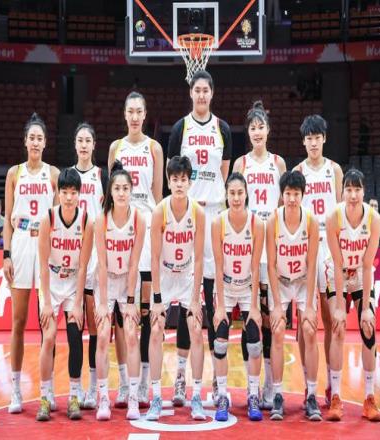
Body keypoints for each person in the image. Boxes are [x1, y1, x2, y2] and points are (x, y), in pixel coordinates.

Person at [167, 70, 232, 404]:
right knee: (185, 300)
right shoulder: (181, 128)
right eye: (198, 90)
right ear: (191, 93)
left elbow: (224, 174)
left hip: (216, 216)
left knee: (215, 297)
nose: (202, 95)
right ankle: (180, 377)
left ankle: (218, 381)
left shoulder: (223, 129)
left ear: (212, 93)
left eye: (206, 90)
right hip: (189, 217)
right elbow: (173, 175)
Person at [108, 91, 163, 408]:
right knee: (120, 310)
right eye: (130, 111)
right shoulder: (115, 147)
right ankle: (123, 382)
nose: (134, 116)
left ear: (145, 114)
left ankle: (143, 381)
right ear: (124, 113)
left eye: (139, 111)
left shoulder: (154, 148)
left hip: (146, 226)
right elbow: (111, 193)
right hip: (121, 229)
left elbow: (157, 196)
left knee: (143, 309)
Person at [3, 113, 59, 414]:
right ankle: (15, 390)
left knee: (46, 322)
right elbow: (7, 220)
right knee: (18, 321)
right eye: (31, 138)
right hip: (22, 243)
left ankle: (47, 390)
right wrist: (6, 254)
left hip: (45, 244)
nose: (35, 142)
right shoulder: (14, 174)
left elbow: (60, 217)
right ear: (25, 142)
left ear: (45, 143)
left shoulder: (53, 174)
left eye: (40, 138)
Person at [232, 101, 286, 408]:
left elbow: (285, 205)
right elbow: (233, 206)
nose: (257, 132)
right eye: (252, 128)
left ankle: (268, 384)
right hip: (247, 244)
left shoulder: (278, 163)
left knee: (268, 318)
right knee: (247, 316)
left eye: (261, 127)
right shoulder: (241, 164)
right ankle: (250, 383)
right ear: (248, 131)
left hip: (272, 246)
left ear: (268, 130)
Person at [145, 156, 206, 421]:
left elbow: (200, 258)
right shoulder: (159, 211)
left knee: (196, 329)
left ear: (190, 182)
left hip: (187, 275)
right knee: (156, 328)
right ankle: (157, 397)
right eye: (175, 179)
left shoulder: (198, 212)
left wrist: (195, 299)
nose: (179, 184)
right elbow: (154, 257)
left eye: (184, 179)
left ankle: (196, 396)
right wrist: (158, 299)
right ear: (168, 182)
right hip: (165, 274)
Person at [35, 168, 93, 421]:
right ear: (58, 193)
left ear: (80, 194)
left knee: (74, 337)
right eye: (65, 192)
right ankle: (45, 396)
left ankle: (73, 395)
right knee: (48, 338)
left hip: (72, 285)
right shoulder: (48, 218)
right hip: (50, 283)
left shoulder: (86, 221)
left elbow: (83, 267)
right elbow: (42, 264)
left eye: (73, 192)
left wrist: (78, 303)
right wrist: (47, 302)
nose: (69, 197)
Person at [325, 168, 380, 422]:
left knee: (369, 328)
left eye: (357, 189)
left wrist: (367, 308)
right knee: (337, 328)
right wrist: (339, 306)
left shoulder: (374, 219)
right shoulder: (333, 217)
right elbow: (337, 264)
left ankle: (369, 397)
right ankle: (336, 396)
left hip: (360, 273)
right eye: (348, 189)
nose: (353, 194)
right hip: (337, 273)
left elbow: (368, 265)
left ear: (364, 192)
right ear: (342, 192)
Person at [293, 114, 343, 405]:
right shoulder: (298, 171)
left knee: (330, 318)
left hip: (330, 246)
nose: (313, 143)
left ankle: (333, 387)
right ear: (303, 141)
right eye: (308, 138)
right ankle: (307, 383)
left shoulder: (334, 170)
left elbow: (340, 214)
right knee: (305, 320)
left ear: (324, 138)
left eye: (317, 137)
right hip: (306, 246)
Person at [266, 171, 321, 421]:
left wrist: (309, 305)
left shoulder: (311, 221)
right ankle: (278, 394)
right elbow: (270, 265)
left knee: (309, 329)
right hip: (280, 280)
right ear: (282, 195)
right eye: (287, 194)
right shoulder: (273, 220)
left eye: (296, 194)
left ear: (302, 195)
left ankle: (312, 395)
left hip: (302, 281)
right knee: (278, 329)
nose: (291, 199)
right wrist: (277, 305)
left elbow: (312, 264)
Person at [93, 161, 146, 420]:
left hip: (128, 280)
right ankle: (103, 398)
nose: (122, 192)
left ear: (131, 190)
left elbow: (134, 263)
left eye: (126, 188)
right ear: (111, 192)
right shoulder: (101, 220)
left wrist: (132, 301)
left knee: (132, 335)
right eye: (117, 188)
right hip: (106, 280)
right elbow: (102, 264)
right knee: (103, 335)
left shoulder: (138, 219)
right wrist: (103, 303)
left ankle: (133, 396)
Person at [212, 173, 265, 422]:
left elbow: (255, 267)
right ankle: (222, 394)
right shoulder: (218, 222)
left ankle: (253, 393)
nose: (235, 198)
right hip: (225, 286)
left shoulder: (257, 224)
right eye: (231, 193)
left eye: (239, 193)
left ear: (246, 194)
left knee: (254, 343)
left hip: (246, 288)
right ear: (226, 195)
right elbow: (218, 265)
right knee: (220, 342)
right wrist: (220, 306)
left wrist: (254, 306)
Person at [72, 122, 108, 409]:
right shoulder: (68, 177)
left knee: (95, 326)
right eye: (80, 140)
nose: (84, 145)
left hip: (96, 256)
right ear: (75, 145)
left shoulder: (101, 176)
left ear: (94, 145)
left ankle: (95, 387)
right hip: (71, 254)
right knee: (76, 325)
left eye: (88, 141)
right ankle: (76, 387)